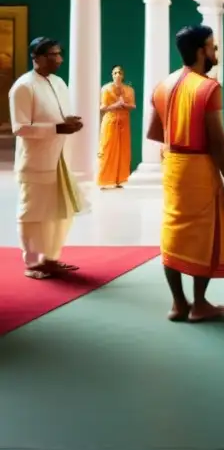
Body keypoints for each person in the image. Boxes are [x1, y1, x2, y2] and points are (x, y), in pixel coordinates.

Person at [147, 25, 224, 323]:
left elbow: (154, 132)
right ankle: (199, 303)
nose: (215, 51)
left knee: (173, 230)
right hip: (199, 166)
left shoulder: (163, 85)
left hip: (173, 166)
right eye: (212, 46)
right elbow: (219, 142)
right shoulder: (209, 88)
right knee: (206, 233)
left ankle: (178, 304)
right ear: (201, 50)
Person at [10, 37, 86, 280]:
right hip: (36, 161)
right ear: (36, 57)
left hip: (59, 158)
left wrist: (68, 122)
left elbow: (59, 116)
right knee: (33, 213)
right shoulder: (23, 86)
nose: (59, 59)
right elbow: (20, 128)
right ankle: (32, 263)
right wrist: (57, 128)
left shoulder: (59, 82)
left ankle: (50, 259)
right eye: (53, 55)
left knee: (59, 212)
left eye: (59, 54)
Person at [97, 64, 135, 189]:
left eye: (120, 72)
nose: (117, 75)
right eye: (115, 73)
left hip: (124, 121)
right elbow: (102, 107)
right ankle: (104, 180)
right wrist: (116, 105)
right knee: (107, 148)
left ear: (123, 75)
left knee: (123, 150)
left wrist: (123, 105)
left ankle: (120, 179)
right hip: (110, 120)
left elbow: (133, 106)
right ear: (112, 75)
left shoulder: (129, 90)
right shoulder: (106, 89)